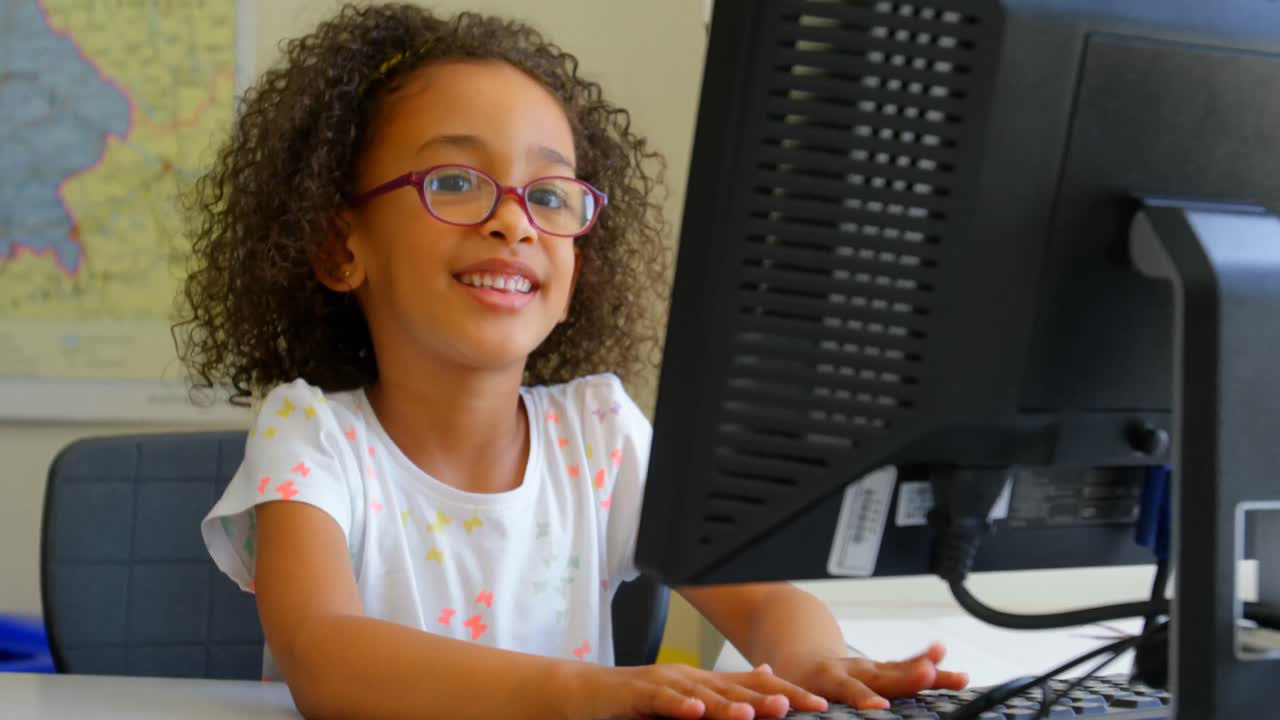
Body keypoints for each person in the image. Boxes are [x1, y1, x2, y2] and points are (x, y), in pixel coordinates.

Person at [178, 4, 968, 719]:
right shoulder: (311, 436)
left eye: (550, 195)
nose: (514, 223)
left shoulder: (599, 434)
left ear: (575, 275)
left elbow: (765, 604)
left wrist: (820, 660)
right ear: (339, 247)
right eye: (456, 182)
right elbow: (326, 658)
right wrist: (591, 690)